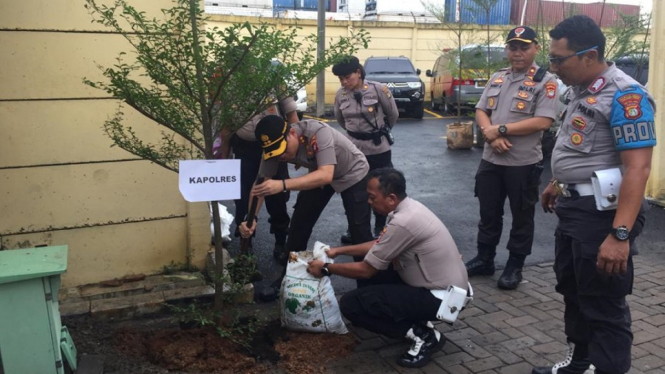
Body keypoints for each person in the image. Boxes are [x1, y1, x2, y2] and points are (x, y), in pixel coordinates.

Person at [533, 15, 656, 374]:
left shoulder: (624, 95)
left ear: (589, 56)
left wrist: (619, 235)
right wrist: (559, 183)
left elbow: (638, 169)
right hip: (574, 208)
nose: (552, 68)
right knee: (573, 289)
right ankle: (581, 360)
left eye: (558, 59)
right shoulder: (580, 90)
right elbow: (584, 150)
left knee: (604, 306)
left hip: (602, 216)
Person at [307, 168, 470, 368]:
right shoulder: (410, 209)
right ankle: (415, 321)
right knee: (376, 272)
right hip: (443, 288)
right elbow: (380, 245)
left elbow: (366, 270)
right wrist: (338, 251)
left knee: (351, 304)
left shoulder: (404, 222)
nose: (369, 201)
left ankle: (424, 336)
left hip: (442, 298)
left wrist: (325, 268)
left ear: (391, 198)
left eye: (372, 197)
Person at [239, 114, 375, 299]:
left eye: (283, 150)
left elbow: (326, 175)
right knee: (299, 225)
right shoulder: (273, 148)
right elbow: (259, 186)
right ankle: (288, 279)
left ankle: (367, 290)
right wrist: (251, 218)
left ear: (292, 133)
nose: (282, 157)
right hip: (317, 174)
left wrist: (283, 184)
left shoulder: (318, 132)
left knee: (359, 231)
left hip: (352, 172)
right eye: (275, 153)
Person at [465, 26, 558, 290]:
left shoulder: (545, 81)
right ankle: (484, 258)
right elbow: (481, 110)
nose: (517, 53)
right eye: (513, 47)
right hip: (491, 160)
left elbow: (543, 120)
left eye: (524, 47)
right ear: (507, 49)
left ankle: (515, 265)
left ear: (536, 48)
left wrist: (502, 129)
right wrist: (491, 136)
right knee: (488, 213)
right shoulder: (498, 77)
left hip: (522, 162)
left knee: (522, 216)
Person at [215, 67, 298, 261]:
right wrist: (224, 160)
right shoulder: (229, 88)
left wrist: (294, 150)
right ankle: (246, 245)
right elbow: (226, 128)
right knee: (244, 198)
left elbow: (292, 117)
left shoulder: (274, 81)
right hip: (245, 150)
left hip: (275, 147)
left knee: (276, 197)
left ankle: (280, 241)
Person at [332, 56, 399, 242]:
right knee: (355, 191)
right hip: (353, 150)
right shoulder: (340, 95)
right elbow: (341, 120)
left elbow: (392, 114)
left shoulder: (378, 89)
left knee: (382, 188)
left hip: (378, 149)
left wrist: (377, 133)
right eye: (341, 79)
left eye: (348, 77)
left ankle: (380, 226)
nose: (344, 82)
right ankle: (356, 228)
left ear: (358, 73)